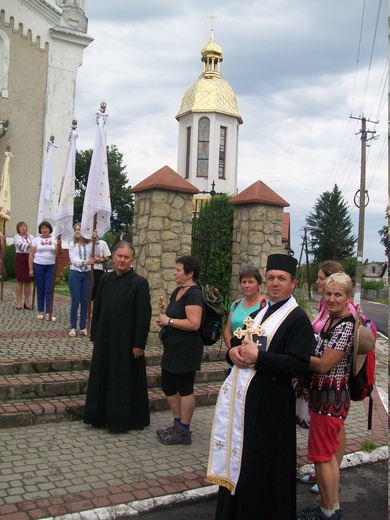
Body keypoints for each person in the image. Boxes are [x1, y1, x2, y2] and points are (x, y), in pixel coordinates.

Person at [206, 253, 313, 520]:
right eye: (271, 278)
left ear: (293, 283)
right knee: (242, 464)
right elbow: (242, 345)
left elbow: (299, 365)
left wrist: (260, 358)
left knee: (264, 470)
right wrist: (233, 353)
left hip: (272, 408)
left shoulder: (298, 319)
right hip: (245, 405)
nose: (275, 283)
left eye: (282, 279)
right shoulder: (258, 313)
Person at [297, 273, 355, 520]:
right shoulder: (333, 320)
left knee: (322, 458)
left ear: (348, 298)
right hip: (324, 396)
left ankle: (329, 512)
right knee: (327, 456)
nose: (331, 299)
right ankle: (330, 507)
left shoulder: (345, 325)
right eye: (328, 293)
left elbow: (323, 365)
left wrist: (294, 356)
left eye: (338, 295)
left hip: (331, 397)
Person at [83, 241, 151, 433]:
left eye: (126, 257)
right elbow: (98, 308)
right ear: (113, 256)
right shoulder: (105, 280)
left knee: (122, 381)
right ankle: (99, 417)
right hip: (105, 340)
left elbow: (143, 316)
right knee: (103, 377)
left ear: (132, 260)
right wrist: (94, 333)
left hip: (126, 342)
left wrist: (139, 343)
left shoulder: (139, 283)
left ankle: (123, 420)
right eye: (119, 256)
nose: (122, 260)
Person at [156, 255, 205, 446]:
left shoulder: (193, 294)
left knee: (185, 389)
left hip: (187, 350)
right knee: (168, 385)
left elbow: (194, 324)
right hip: (172, 349)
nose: (175, 272)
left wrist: (169, 321)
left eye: (178, 270)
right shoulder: (178, 291)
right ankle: (176, 424)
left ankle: (184, 430)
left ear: (190, 273)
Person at [223, 266, 267, 371]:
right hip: (235, 359)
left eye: (251, 282)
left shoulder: (265, 306)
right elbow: (227, 330)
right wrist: (234, 351)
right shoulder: (236, 304)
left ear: (259, 284)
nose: (247, 285)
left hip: (253, 361)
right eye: (244, 282)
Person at [68, 223, 100, 337]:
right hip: (76, 274)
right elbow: (74, 260)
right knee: (75, 301)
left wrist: (96, 239)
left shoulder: (89, 245)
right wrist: (86, 262)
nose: (77, 231)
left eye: (79, 229)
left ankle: (83, 326)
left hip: (87, 275)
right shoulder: (72, 245)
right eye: (75, 229)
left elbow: (97, 252)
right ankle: (72, 326)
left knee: (86, 301)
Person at [28, 220, 61, 321]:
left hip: (50, 266)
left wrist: (59, 245)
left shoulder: (54, 239)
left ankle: (49, 311)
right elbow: (31, 254)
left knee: (49, 289)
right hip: (38, 265)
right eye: (42, 228)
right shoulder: (36, 240)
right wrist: (30, 268)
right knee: (40, 288)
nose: (44, 230)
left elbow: (59, 253)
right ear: (40, 230)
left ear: (49, 229)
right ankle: (41, 310)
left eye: (46, 228)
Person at [13, 221, 34, 310]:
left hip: (29, 258)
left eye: (24, 226)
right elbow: (20, 246)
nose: (23, 228)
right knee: (20, 280)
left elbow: (34, 247)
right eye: (21, 227)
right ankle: (18, 302)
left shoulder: (31, 237)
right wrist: (30, 244)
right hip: (20, 258)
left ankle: (26, 301)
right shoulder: (16, 237)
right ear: (18, 229)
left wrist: (31, 245)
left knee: (28, 281)